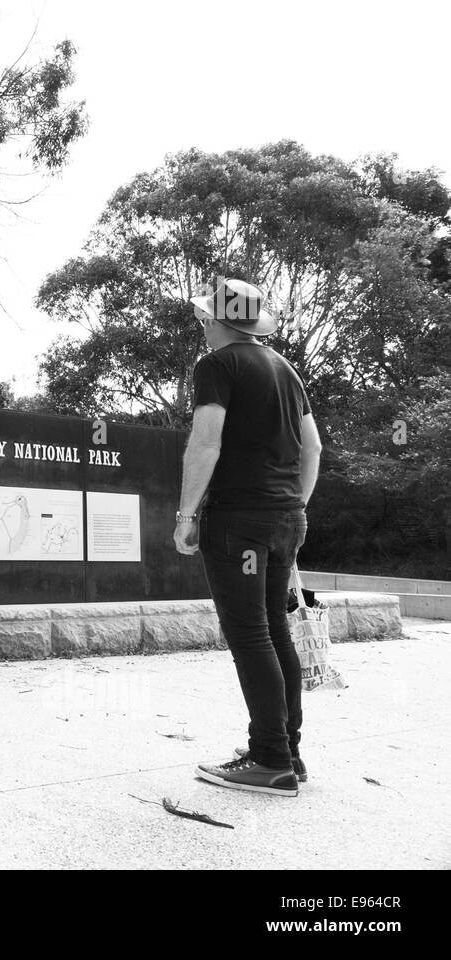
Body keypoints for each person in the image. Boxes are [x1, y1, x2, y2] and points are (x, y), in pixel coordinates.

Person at [173, 278, 324, 798]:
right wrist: (295, 505)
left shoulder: (216, 366)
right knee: (274, 632)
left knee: (250, 636)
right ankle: (288, 752)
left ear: (218, 321)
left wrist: (185, 514)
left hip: (238, 518)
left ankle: (271, 761)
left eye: (204, 319)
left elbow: (206, 442)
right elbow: (314, 449)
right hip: (285, 517)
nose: (202, 327)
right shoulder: (286, 369)